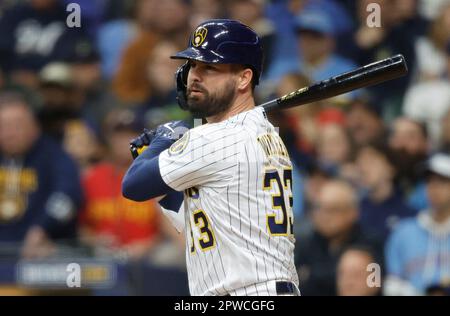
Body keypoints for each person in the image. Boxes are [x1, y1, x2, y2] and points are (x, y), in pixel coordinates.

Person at [122, 19, 300, 296]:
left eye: (210, 67)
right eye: (193, 65)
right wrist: (154, 155)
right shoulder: (265, 134)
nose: (195, 75)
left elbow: (132, 186)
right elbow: (197, 215)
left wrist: (163, 140)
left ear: (244, 78)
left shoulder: (214, 138)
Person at [0, 91, 82, 258]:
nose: (10, 133)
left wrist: (42, 229)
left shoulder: (54, 156)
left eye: (17, 125)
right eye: (3, 126)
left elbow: (68, 197)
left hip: (41, 251)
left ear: (34, 127)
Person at [295, 179, 382, 296]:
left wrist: (313, 276)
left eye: (332, 209)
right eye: (318, 208)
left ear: (353, 212)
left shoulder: (371, 243)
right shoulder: (307, 243)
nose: (324, 216)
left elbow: (374, 284)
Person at [384, 152, 450, 295]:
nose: (434, 187)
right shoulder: (402, 232)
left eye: (443, 181)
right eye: (429, 181)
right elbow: (392, 284)